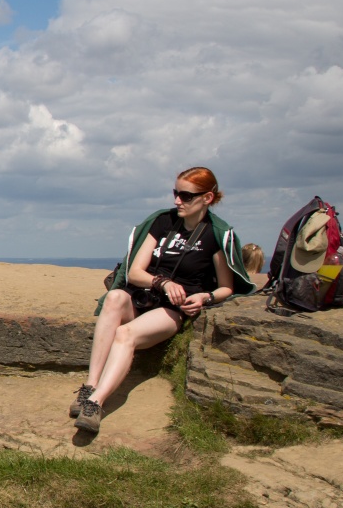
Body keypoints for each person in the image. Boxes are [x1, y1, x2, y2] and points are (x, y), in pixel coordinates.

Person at [71, 167, 254, 435]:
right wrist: (163, 282)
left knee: (125, 334)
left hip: (171, 310)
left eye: (186, 196)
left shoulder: (215, 235)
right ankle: (90, 385)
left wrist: (204, 296)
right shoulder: (163, 222)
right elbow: (135, 272)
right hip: (145, 296)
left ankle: (96, 403)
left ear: (208, 198)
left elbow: (227, 287)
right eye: (176, 193)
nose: (178, 201)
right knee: (114, 297)